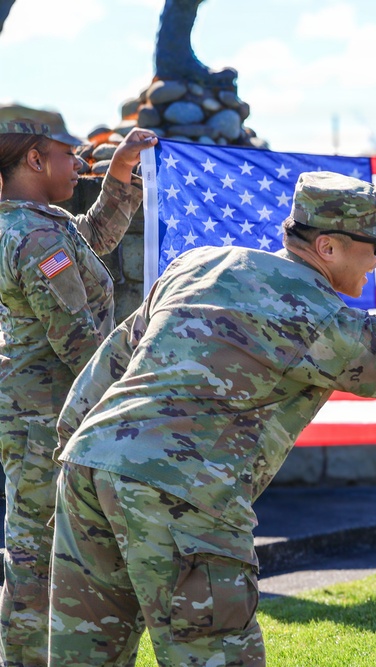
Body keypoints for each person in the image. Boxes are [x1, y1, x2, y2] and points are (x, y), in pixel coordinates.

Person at [46, 171, 376, 666]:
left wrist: (68, 452)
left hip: (86, 467)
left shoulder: (199, 264)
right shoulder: (321, 318)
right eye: (374, 244)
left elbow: (108, 366)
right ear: (329, 247)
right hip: (182, 492)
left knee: (83, 656)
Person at [0, 103, 157, 667]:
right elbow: (79, 342)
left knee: (38, 545)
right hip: (44, 416)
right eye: (69, 154)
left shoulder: (39, 224)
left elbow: (92, 245)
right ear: (35, 158)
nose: (78, 163)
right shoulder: (35, 236)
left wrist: (118, 177)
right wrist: (141, 393)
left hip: (43, 411)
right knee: (35, 550)